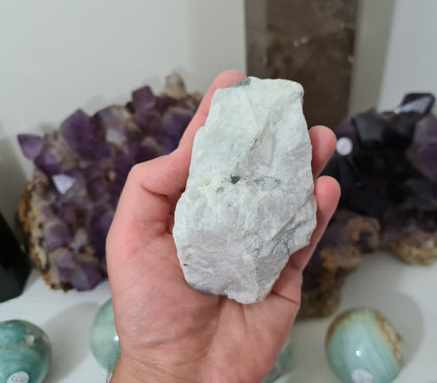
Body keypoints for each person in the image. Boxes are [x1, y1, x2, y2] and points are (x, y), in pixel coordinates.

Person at [106, 70, 341, 383]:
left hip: (258, 254)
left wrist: (156, 370)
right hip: (224, 250)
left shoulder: (275, 115)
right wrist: (156, 368)